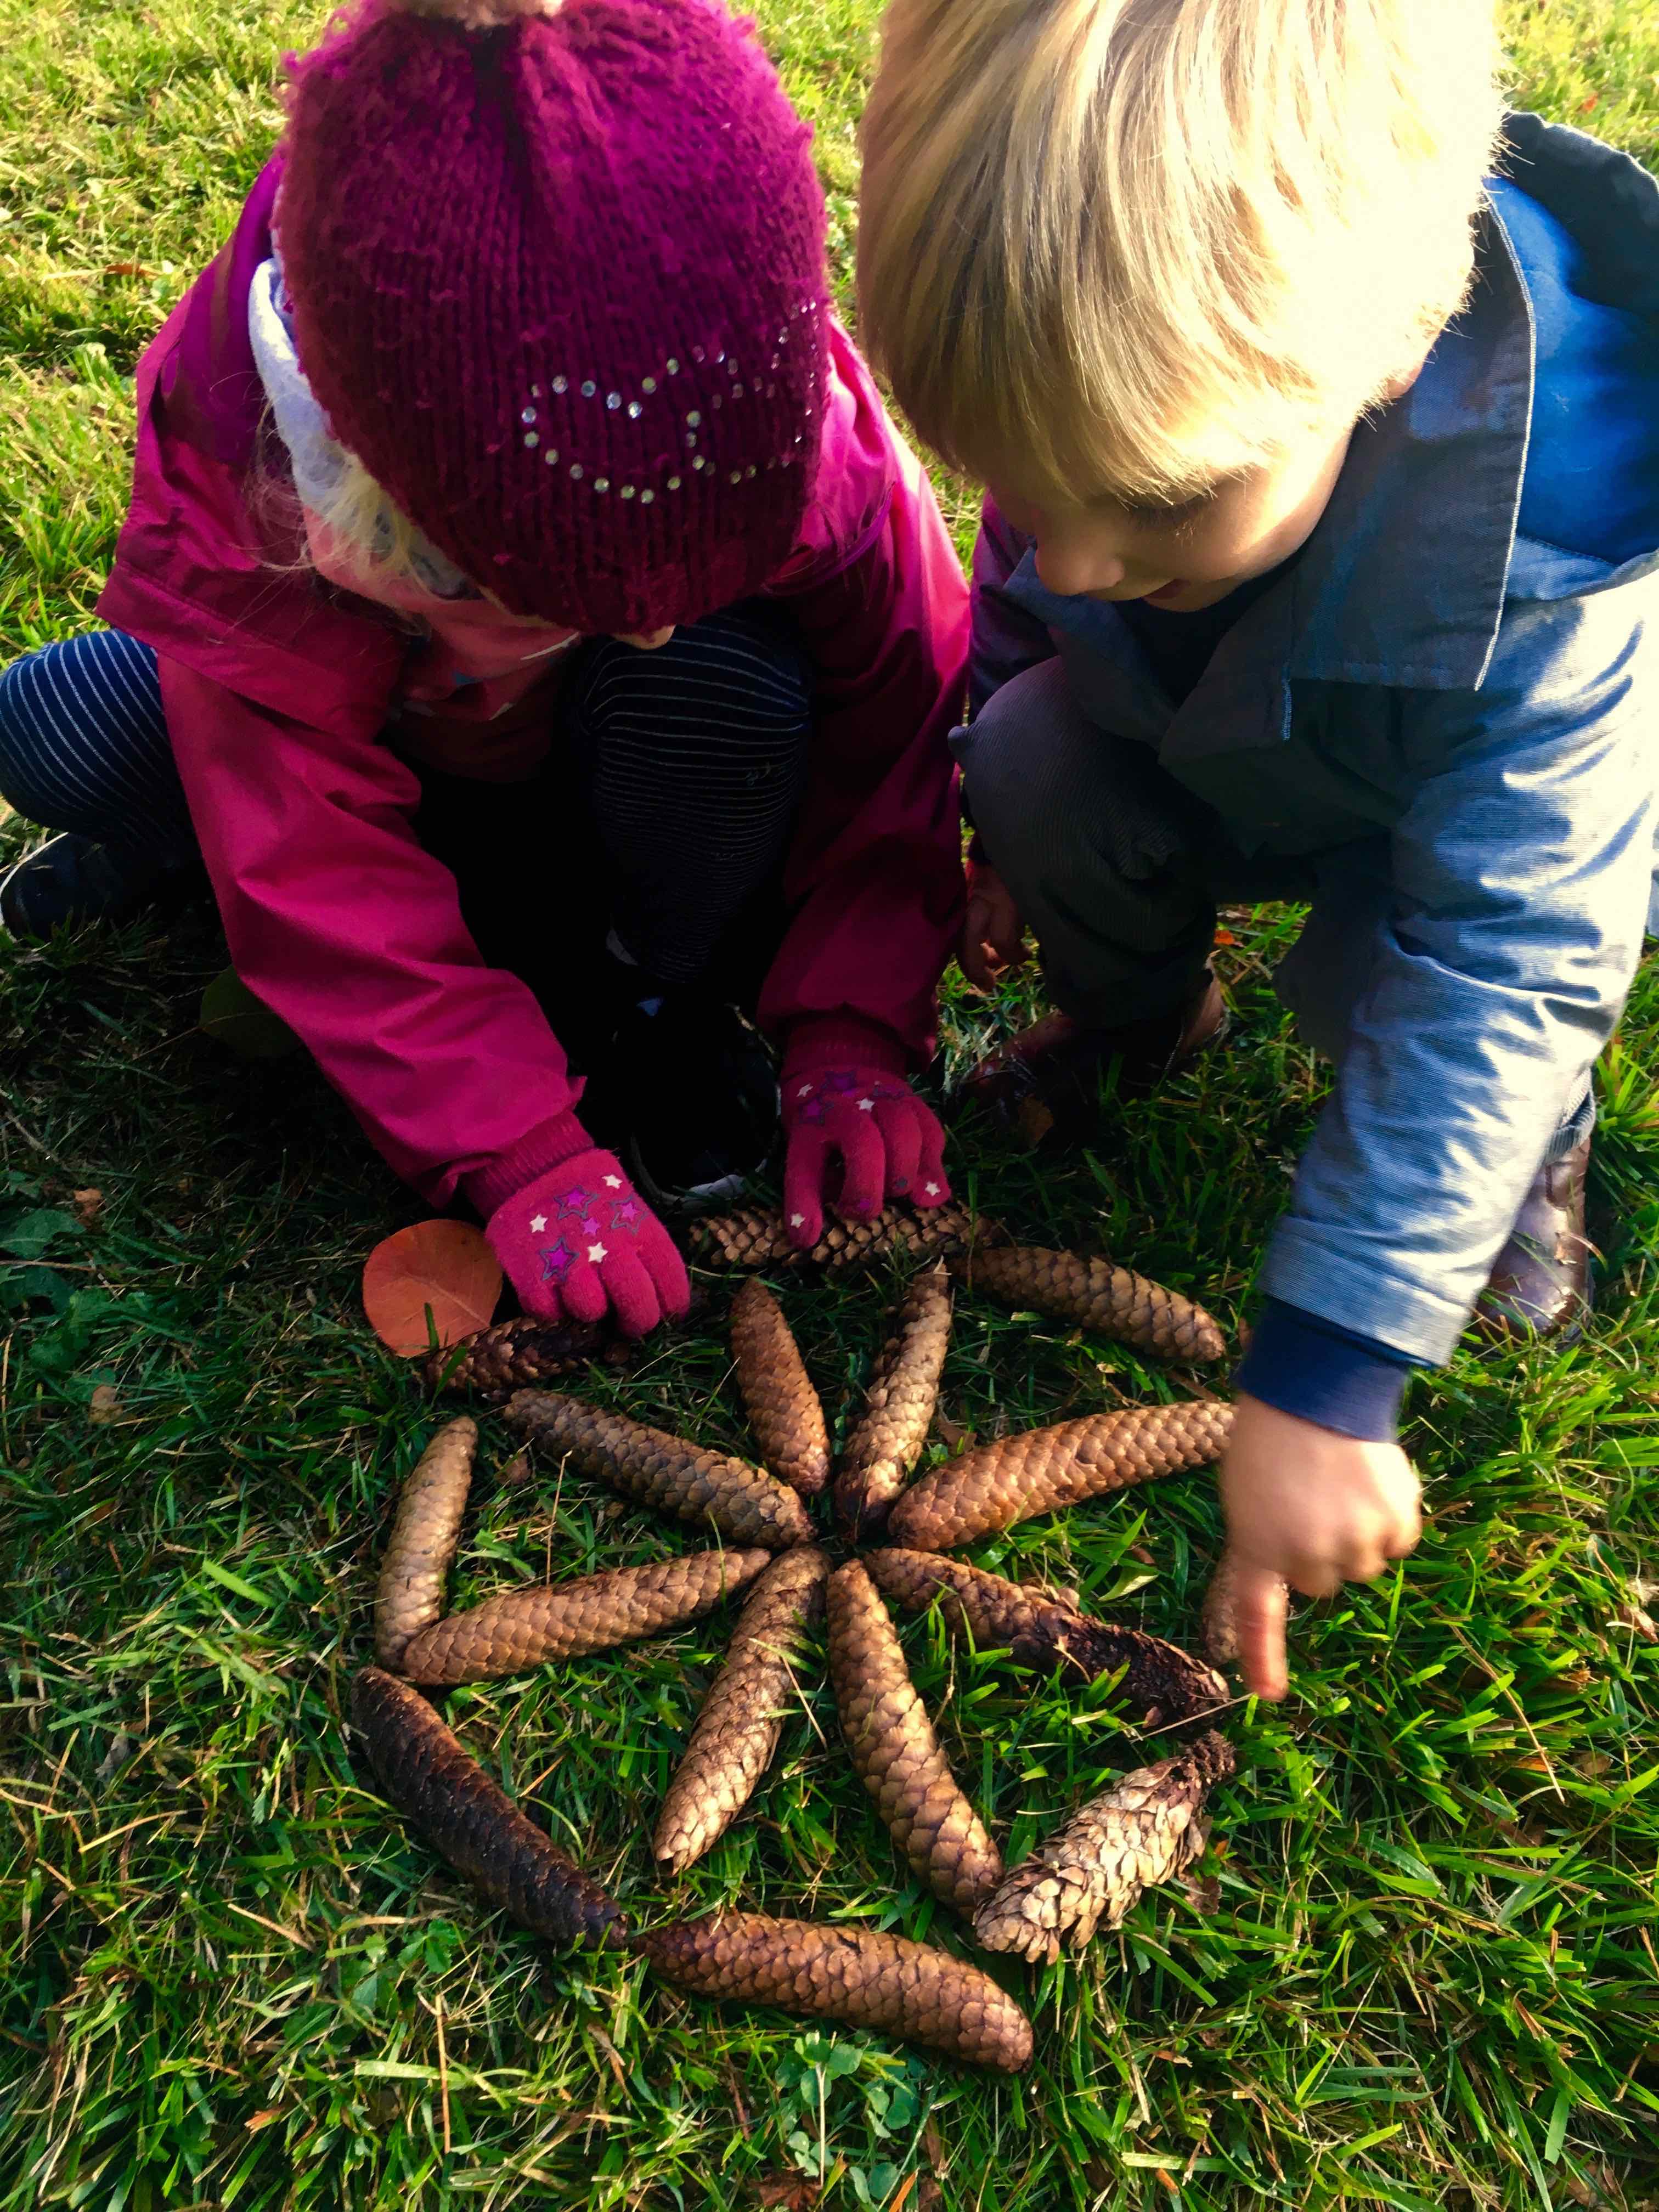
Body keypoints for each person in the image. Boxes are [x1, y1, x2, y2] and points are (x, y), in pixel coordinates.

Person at [856, 0, 1659, 1697]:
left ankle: (1528, 1174)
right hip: (1209, 736)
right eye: (1021, 484)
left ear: (1382, 358)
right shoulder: (1138, 437)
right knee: (1030, 751)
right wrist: (999, 752)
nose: (1069, 555)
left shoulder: (1549, 580)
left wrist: (1332, 1372)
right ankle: (1145, 1018)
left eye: (1141, 514)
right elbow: (1033, 581)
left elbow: (1508, 959)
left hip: (1433, 842)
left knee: (1408, 993)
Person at [0, 0, 968, 1339]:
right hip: (397, 759)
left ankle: (651, 992)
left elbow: (902, 714)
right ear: (355, 515)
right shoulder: (254, 482)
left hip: (628, 765)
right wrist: (510, 1144)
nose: (635, 620)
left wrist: (854, 1017)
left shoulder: (793, 439)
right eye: (527, 598)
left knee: (713, 687)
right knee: (63, 724)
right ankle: (204, 875)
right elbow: (308, 852)